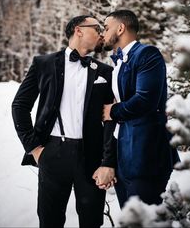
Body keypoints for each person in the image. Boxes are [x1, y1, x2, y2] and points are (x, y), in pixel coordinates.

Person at [12, 15, 117, 228]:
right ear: (78, 30)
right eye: (97, 28)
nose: (101, 33)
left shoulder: (105, 72)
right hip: (52, 153)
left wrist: (108, 162)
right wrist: (34, 147)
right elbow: (20, 106)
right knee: (50, 220)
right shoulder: (44, 64)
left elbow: (110, 121)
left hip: (91, 157)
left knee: (92, 222)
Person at [102, 10, 180, 208]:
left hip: (146, 155)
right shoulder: (116, 62)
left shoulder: (147, 54)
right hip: (123, 156)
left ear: (121, 28)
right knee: (129, 218)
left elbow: (146, 100)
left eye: (106, 27)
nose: (103, 33)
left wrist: (112, 111)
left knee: (146, 219)